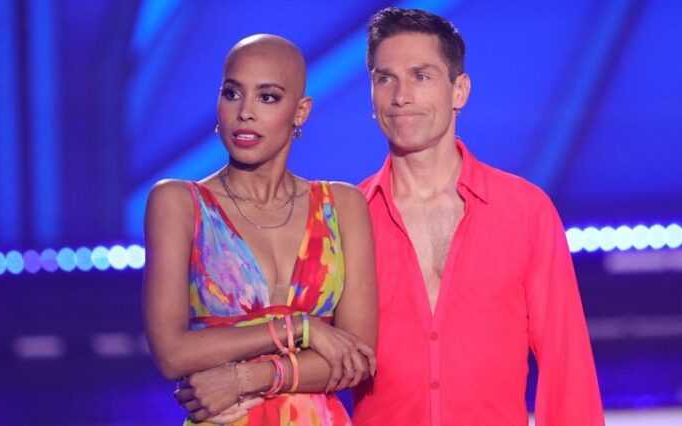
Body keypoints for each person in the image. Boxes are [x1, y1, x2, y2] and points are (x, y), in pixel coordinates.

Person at [351, 8, 604, 425]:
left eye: (421, 76)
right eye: (385, 79)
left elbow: (566, 366)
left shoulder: (525, 211)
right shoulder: (347, 217)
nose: (401, 96)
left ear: (460, 91)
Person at [143, 34, 377, 425]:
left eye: (267, 97)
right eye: (232, 94)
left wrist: (246, 378)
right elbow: (171, 353)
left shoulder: (343, 205)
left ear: (300, 111)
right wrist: (300, 328)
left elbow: (358, 357)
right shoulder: (179, 203)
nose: (244, 112)